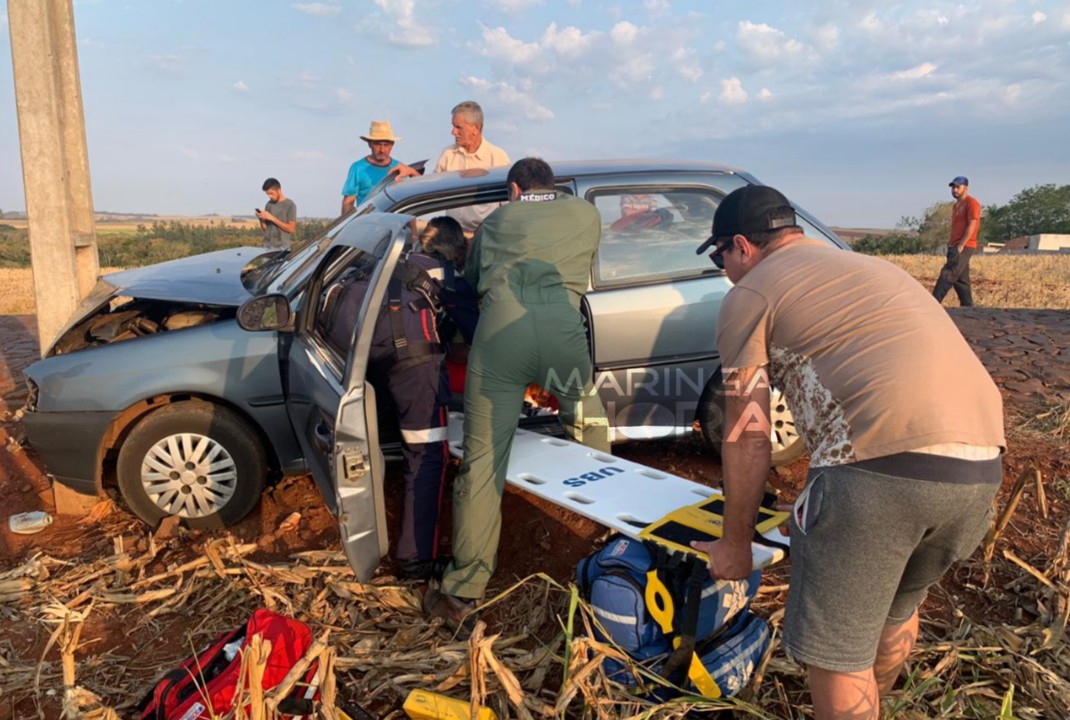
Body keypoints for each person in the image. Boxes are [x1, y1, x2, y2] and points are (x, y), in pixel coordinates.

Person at [691, 185, 1004, 720]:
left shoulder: (750, 294)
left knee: (837, 657)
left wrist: (735, 545)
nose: (724, 269)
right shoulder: (873, 269)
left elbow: (747, 430)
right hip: (980, 463)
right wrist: (821, 499)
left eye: (720, 256)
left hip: (881, 476)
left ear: (741, 245)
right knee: (895, 611)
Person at [423, 158, 611, 635]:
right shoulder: (586, 214)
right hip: (564, 333)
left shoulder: (499, 220)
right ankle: (617, 555)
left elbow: (473, 276)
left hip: (501, 335)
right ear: (552, 186)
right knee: (593, 433)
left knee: (483, 462)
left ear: (514, 189)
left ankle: (462, 591)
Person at [323, 225, 474, 581]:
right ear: (454, 252)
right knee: (427, 454)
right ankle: (415, 559)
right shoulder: (446, 274)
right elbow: (478, 331)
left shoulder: (378, 262)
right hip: (413, 364)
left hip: (357, 359)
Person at [433, 101, 511, 231]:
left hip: (484, 235)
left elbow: (508, 206)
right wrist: (413, 176)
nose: (453, 132)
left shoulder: (497, 158)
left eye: (458, 127)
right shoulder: (448, 154)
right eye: (453, 126)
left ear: (475, 128)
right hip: (453, 236)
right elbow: (433, 191)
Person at [340, 121, 420, 215]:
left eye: (386, 145)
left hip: (394, 223)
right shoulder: (358, 168)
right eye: (377, 144)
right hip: (367, 224)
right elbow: (348, 203)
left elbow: (416, 195)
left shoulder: (401, 168)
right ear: (369, 144)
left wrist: (413, 172)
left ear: (392, 145)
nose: (382, 150)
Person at [932, 176, 981, 307]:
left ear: (966, 188)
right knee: (961, 281)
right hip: (954, 245)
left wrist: (961, 244)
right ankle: (968, 308)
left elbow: (973, 224)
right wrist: (951, 242)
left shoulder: (972, 203)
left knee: (948, 273)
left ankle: (933, 303)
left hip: (964, 245)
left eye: (957, 187)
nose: (954, 190)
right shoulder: (956, 205)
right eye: (953, 187)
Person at [257, 178, 297, 250]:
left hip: (282, 248)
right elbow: (265, 229)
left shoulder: (290, 205)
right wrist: (261, 220)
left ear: (279, 190)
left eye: (271, 193)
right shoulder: (269, 205)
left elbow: (291, 229)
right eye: (268, 194)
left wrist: (272, 218)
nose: (270, 196)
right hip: (267, 247)